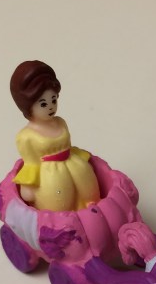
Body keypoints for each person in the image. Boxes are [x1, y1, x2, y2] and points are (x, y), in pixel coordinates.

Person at [9, 60, 100, 211]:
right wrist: (28, 186)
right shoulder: (26, 137)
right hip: (51, 177)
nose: (51, 107)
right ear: (27, 106)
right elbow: (31, 164)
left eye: (54, 100)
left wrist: (84, 161)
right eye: (43, 104)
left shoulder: (61, 122)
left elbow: (69, 147)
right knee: (61, 204)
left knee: (90, 196)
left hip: (75, 167)